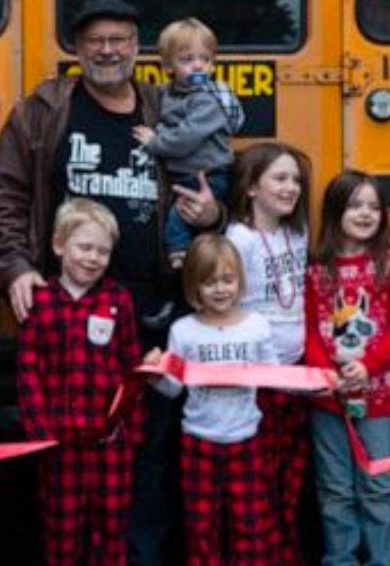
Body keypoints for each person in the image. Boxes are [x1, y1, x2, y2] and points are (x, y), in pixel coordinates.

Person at [0, 0, 223, 566]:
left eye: (119, 39)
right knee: (66, 458)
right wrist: (16, 266)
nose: (108, 50)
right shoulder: (42, 112)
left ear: (137, 49)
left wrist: (211, 217)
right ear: (78, 49)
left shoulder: (169, 110)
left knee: (146, 452)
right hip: (68, 314)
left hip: (154, 310)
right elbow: (4, 195)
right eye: (96, 41)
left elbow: (212, 177)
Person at [17, 198, 144, 566]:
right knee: (62, 533)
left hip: (111, 444)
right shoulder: (39, 302)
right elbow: (28, 372)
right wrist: (40, 433)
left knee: (111, 533)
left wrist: (131, 433)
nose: (93, 258)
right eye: (84, 247)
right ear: (59, 245)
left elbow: (131, 367)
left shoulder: (118, 299)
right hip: (60, 446)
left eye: (103, 251)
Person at [145, 233, 281, 565]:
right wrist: (154, 376)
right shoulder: (183, 330)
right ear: (193, 286)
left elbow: (275, 376)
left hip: (245, 440)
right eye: (208, 282)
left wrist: (319, 381)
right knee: (201, 528)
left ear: (240, 280)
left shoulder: (257, 326)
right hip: (198, 442)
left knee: (250, 527)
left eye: (227, 279)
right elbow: (175, 389)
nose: (220, 289)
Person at [304, 169, 390, 566]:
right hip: (328, 398)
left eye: (373, 206)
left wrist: (368, 364)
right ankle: (341, 558)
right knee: (334, 487)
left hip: (378, 396)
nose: (366, 213)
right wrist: (323, 372)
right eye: (355, 205)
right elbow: (310, 330)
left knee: (376, 484)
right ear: (336, 211)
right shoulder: (317, 266)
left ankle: (384, 559)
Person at [224, 142, 312, 564]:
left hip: (296, 372)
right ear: (251, 187)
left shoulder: (298, 233)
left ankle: (283, 548)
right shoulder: (239, 239)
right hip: (258, 376)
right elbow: (229, 302)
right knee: (255, 473)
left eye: (295, 179)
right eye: (279, 178)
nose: (291, 187)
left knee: (289, 470)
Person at [133, 18, 245, 270]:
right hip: (186, 173)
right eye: (186, 60)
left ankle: (179, 253)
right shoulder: (170, 92)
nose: (197, 66)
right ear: (168, 66)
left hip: (207, 174)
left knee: (180, 214)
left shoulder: (207, 99)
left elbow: (185, 138)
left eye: (204, 60)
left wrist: (155, 141)